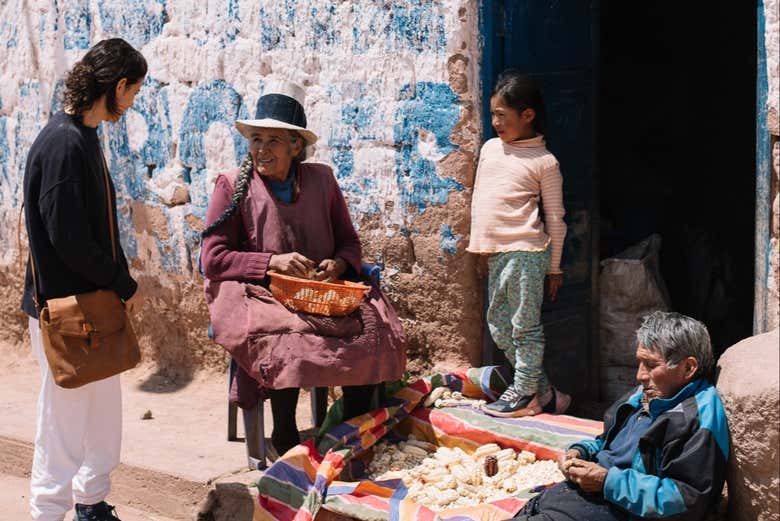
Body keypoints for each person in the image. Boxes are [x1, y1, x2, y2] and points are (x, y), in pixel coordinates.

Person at [201, 80, 406, 456]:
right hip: (259, 292)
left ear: (296, 146)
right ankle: (284, 436)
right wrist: (271, 263)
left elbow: (349, 241)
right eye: (256, 139)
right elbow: (212, 259)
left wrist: (340, 263)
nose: (261, 149)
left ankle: (350, 431)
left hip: (321, 292)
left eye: (273, 141)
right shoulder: (231, 186)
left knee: (369, 328)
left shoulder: (322, 180)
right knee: (289, 331)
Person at [21, 39, 147, 521]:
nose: (133, 101)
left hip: (92, 309)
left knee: (100, 415)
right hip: (67, 314)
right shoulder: (64, 144)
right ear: (116, 86)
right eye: (133, 90)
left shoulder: (82, 136)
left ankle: (90, 503)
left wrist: (116, 285)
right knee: (64, 422)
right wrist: (123, 283)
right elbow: (68, 238)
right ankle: (49, 512)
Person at [511, 311, 729, 521]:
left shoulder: (697, 419)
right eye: (640, 363)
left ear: (688, 367)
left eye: (651, 365)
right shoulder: (643, 395)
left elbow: (686, 499)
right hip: (574, 500)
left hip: (618, 510)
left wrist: (607, 481)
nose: (640, 375)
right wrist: (581, 451)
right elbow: (608, 444)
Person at [467, 70, 570, 417]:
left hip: (527, 254)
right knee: (499, 326)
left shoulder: (544, 162)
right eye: (493, 113)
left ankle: (525, 394)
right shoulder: (490, 149)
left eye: (502, 115)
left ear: (528, 115)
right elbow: (484, 201)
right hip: (498, 254)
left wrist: (554, 267)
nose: (495, 121)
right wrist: (483, 250)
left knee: (524, 327)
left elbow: (556, 219)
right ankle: (546, 393)